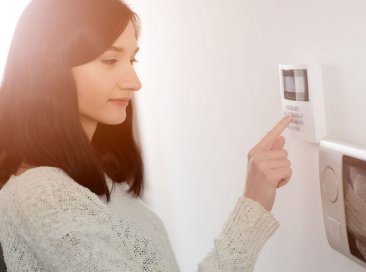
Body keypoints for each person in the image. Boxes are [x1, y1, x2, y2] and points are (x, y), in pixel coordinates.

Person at [0, 0, 293, 271]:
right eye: (110, 61)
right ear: (49, 67)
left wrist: (255, 200)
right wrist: (252, 206)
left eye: (132, 61)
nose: (134, 82)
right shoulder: (43, 193)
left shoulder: (86, 175)